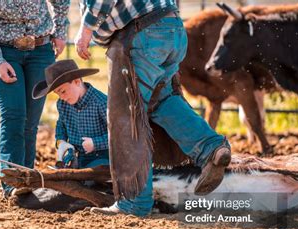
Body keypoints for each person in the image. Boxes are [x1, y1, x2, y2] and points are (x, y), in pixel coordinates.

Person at [74, 0, 232, 216]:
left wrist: (85, 30)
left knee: (127, 115)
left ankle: (134, 202)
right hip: (171, 27)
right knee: (163, 100)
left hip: (142, 35)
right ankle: (210, 147)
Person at [0, 0, 70, 198]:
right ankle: (11, 184)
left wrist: (59, 32)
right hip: (4, 52)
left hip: (41, 51)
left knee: (30, 122)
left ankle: (27, 181)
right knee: (13, 114)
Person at [32, 59, 109, 169]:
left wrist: (95, 143)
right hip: (77, 157)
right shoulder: (63, 104)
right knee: (62, 177)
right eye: (57, 94)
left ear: (77, 81)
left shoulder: (101, 102)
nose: (62, 98)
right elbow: (61, 125)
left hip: (102, 157)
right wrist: (61, 142)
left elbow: (118, 134)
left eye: (62, 91)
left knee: (92, 176)